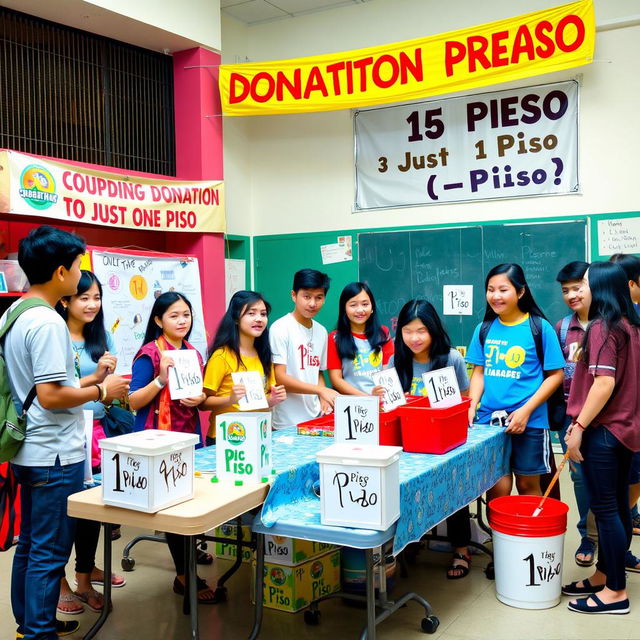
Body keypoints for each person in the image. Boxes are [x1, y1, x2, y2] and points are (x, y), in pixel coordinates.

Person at [4, 226, 128, 640]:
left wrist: (93, 377)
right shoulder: (48, 322)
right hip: (55, 453)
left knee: (31, 546)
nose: (81, 275)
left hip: (29, 449)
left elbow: (38, 385)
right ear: (60, 272)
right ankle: (39, 633)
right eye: (78, 267)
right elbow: (53, 396)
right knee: (49, 551)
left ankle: (30, 625)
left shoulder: (16, 312)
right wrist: (102, 390)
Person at [562, 261, 640, 615]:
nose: (581, 290)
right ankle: (605, 574)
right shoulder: (630, 326)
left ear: (603, 289)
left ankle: (615, 593)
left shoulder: (602, 327)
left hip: (604, 431)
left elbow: (604, 383)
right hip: (625, 431)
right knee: (620, 508)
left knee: (606, 511)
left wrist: (578, 427)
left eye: (586, 284)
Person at [128, 292, 215, 603]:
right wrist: (161, 380)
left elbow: (198, 396)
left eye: (186, 315)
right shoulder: (149, 355)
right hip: (156, 440)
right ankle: (184, 575)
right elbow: (133, 400)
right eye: (175, 315)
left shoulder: (192, 352)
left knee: (188, 503)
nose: (182, 321)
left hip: (189, 435)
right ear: (158, 320)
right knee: (174, 508)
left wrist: (200, 399)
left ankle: (187, 561)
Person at [55, 271, 127, 615]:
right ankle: (59, 582)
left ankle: (84, 577)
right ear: (65, 300)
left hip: (98, 432)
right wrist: (98, 383)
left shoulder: (103, 337)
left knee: (92, 512)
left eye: (97, 297)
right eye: (84, 297)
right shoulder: (55, 337)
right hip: (63, 433)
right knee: (62, 514)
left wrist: (114, 394)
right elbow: (55, 391)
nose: (92, 304)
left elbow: (110, 393)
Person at [466, 263, 564, 500]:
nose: (495, 296)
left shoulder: (540, 328)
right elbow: (479, 372)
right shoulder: (484, 329)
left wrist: (525, 411)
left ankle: (528, 538)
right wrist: (471, 406)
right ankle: (501, 538)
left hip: (530, 421)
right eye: (491, 289)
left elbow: (556, 376)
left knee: (527, 486)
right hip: (489, 421)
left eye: (503, 289)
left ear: (520, 292)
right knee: (496, 487)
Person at [391, 299, 472, 579]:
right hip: (407, 445)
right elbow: (392, 408)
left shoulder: (451, 358)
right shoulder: (396, 360)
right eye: (408, 331)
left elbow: (462, 401)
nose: (414, 338)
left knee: (454, 485)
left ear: (434, 330)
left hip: (442, 445)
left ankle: (461, 548)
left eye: (422, 331)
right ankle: (409, 541)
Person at [203, 290, 286, 445]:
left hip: (258, 434)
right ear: (236, 318)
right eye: (251, 313)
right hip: (227, 437)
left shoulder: (265, 355)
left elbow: (260, 401)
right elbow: (203, 402)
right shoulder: (221, 356)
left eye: (263, 314)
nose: (259, 319)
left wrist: (272, 400)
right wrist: (231, 399)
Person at [269, 269, 338, 428]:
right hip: (285, 422)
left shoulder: (321, 331)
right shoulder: (280, 328)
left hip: (314, 417)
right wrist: (320, 391)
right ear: (294, 295)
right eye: (306, 296)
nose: (312, 303)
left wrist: (322, 397)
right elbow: (280, 377)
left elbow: (318, 372)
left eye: (319, 297)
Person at [609, 254, 640, 541]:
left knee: (631, 479)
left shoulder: (632, 321)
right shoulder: (607, 323)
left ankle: (626, 519)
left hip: (632, 418)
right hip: (618, 421)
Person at [327, 282, 393, 396]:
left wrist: (379, 394)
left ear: (372, 307)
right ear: (344, 309)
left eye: (365, 304)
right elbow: (336, 379)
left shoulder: (383, 333)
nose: (360, 310)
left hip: (382, 400)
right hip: (353, 403)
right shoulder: (335, 338)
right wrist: (367, 398)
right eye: (353, 305)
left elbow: (388, 371)